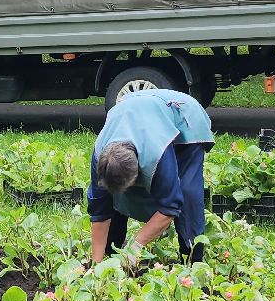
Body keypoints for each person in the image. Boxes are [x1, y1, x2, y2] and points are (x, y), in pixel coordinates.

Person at [88, 88, 214, 265]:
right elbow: (99, 210)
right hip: (138, 108)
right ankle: (110, 254)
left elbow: (170, 205)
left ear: (139, 170)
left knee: (187, 192)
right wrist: (96, 266)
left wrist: (135, 246)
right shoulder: (100, 157)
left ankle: (192, 258)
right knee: (113, 196)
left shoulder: (156, 152)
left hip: (184, 120)